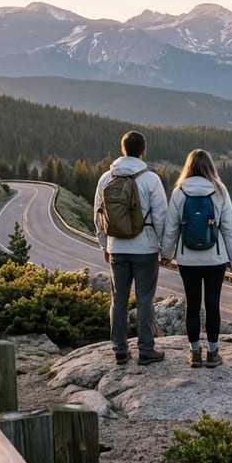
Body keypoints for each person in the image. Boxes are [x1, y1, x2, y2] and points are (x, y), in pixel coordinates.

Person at [94, 131, 169, 366]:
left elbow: (98, 215)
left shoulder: (106, 178)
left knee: (118, 299)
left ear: (122, 149)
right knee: (145, 299)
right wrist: (165, 250)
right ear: (143, 151)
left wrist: (104, 244)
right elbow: (161, 217)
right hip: (145, 248)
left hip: (116, 247)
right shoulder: (150, 179)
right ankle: (146, 349)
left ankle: (120, 350)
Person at [161, 149, 232, 368]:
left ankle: (194, 353)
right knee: (213, 304)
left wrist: (167, 254)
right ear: (210, 166)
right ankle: (213, 353)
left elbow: (171, 229)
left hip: (188, 260)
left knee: (192, 305)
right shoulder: (219, 190)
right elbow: (230, 229)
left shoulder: (179, 192)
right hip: (215, 259)